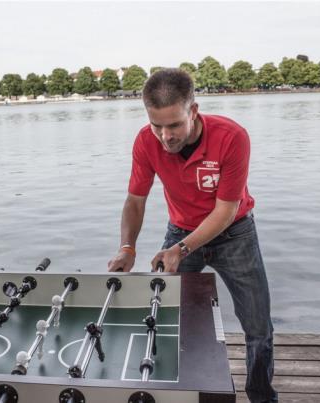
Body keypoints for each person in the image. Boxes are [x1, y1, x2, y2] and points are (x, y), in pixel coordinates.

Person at [108, 68, 277, 403]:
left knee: (258, 327)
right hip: (180, 230)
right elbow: (135, 201)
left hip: (235, 234)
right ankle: (173, 392)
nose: (165, 136)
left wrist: (180, 249)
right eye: (157, 125)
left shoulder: (232, 137)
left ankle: (261, 396)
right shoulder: (145, 141)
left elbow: (225, 211)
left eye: (174, 125)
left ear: (194, 111)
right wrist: (127, 246)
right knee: (163, 316)